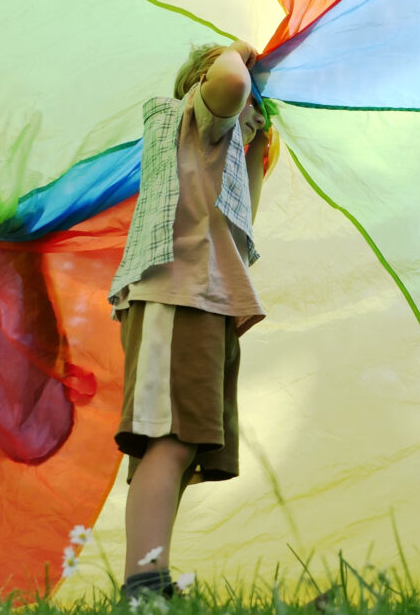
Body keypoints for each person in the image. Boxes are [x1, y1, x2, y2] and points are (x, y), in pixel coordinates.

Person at [107, 40, 271, 598]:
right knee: (169, 441)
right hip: (176, 299)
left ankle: (150, 576)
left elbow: (237, 221)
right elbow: (229, 80)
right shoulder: (192, 121)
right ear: (201, 81)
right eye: (251, 86)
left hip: (206, 304)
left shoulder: (216, 148)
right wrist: (232, 54)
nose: (251, 97)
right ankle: (142, 582)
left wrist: (257, 143)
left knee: (180, 446)